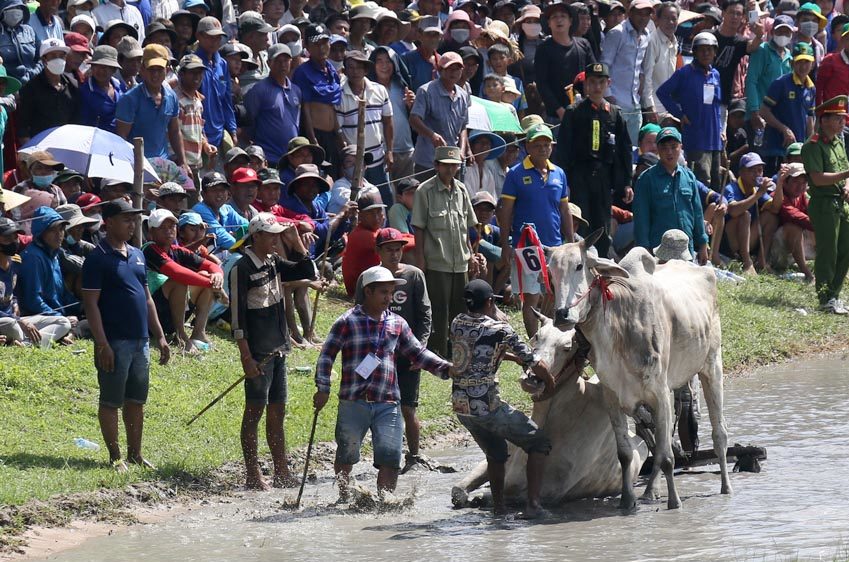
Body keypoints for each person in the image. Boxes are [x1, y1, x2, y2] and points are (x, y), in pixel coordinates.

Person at [314, 265, 451, 499]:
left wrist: (447, 369)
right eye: (384, 293)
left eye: (391, 293)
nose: (389, 298)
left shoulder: (397, 323)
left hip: (388, 401)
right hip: (353, 400)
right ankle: (344, 497)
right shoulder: (347, 321)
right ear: (368, 292)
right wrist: (323, 388)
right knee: (346, 454)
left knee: (390, 457)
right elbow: (327, 355)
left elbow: (417, 353)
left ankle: (385, 504)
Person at [449, 278, 554, 518]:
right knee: (538, 442)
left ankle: (499, 509)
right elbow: (534, 362)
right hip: (487, 406)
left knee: (496, 452)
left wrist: (508, 357)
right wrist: (549, 381)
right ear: (489, 302)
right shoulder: (500, 329)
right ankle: (533, 506)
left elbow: (478, 350)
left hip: (461, 407)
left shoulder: (457, 322)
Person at [81, 198, 171, 473]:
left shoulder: (138, 254)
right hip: (114, 341)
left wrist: (161, 336)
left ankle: (136, 454)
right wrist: (102, 343)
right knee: (111, 400)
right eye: (125, 219)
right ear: (108, 223)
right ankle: (115, 457)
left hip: (141, 341)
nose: (132, 224)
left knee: (136, 400)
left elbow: (147, 299)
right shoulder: (97, 259)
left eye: (134, 219)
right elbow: (91, 305)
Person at [228, 212, 316, 489]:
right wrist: (246, 356)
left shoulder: (273, 261)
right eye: (272, 235)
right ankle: (253, 474)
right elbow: (237, 319)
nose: (277, 239)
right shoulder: (240, 269)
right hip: (258, 352)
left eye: (279, 234)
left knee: (278, 411)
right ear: (257, 237)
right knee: (254, 411)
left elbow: (306, 271)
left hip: (279, 349)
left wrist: (298, 244)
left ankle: (281, 470)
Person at [352, 229, 431, 471]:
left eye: (398, 249)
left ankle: (414, 456)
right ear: (378, 252)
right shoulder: (367, 277)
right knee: (373, 405)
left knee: (408, 406)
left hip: (407, 354)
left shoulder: (414, 275)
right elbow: (357, 313)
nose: (395, 254)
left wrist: (420, 348)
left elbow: (425, 313)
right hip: (376, 354)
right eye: (389, 249)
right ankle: (377, 457)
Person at [500, 124, 573, 337]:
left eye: (546, 144)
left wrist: (570, 240)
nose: (543, 148)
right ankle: (534, 340)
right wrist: (505, 244)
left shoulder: (559, 173)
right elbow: (505, 211)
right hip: (527, 245)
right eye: (537, 144)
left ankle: (549, 336)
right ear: (527, 147)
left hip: (555, 244)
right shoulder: (515, 174)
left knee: (553, 294)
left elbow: (564, 208)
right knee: (531, 295)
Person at [558, 63, 632, 258]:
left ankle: (601, 266)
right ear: (586, 85)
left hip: (604, 178)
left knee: (603, 226)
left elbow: (624, 151)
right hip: (579, 176)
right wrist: (563, 182)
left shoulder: (615, 114)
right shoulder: (574, 112)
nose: (597, 87)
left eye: (601, 82)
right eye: (592, 82)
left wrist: (626, 183)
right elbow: (564, 149)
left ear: (608, 83)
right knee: (581, 224)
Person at [411, 146, 477, 357]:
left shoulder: (462, 190)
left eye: (454, 166)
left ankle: (458, 350)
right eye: (446, 166)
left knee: (461, 311)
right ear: (436, 166)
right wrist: (421, 259)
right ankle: (437, 352)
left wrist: (472, 255)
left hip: (460, 262)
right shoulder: (425, 191)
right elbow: (419, 228)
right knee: (438, 310)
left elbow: (467, 228)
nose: (450, 170)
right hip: (437, 260)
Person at [144, 208, 225, 352]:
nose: (169, 231)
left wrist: (217, 276)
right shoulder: (150, 249)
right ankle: (181, 335)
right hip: (151, 317)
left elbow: (211, 265)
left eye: (171, 226)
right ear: (151, 232)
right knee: (179, 281)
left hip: (169, 312)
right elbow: (176, 272)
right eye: (162, 228)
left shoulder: (177, 250)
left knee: (206, 273)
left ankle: (198, 333)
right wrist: (211, 283)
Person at [656, 32, 724, 191]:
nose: (706, 53)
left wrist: (721, 129)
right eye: (702, 49)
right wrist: (680, 115)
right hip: (696, 139)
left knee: (716, 183)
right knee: (702, 183)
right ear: (694, 52)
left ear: (715, 52)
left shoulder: (715, 74)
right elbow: (662, 93)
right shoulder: (684, 73)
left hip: (715, 139)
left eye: (710, 49)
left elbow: (717, 106)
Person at [633, 127, 710, 265]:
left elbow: (697, 214)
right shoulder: (647, 179)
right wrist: (644, 249)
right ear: (658, 149)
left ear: (681, 147)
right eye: (664, 147)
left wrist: (703, 244)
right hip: (659, 249)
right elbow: (641, 218)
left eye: (674, 147)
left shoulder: (689, 177)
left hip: (686, 248)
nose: (669, 152)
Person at [801, 95, 849, 314]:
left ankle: (835, 295)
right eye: (838, 118)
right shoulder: (812, 146)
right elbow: (818, 178)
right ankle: (825, 297)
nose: (843, 122)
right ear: (824, 120)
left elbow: (844, 169)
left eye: (843, 118)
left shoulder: (839, 142)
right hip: (824, 204)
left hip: (842, 203)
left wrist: (847, 184)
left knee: (845, 250)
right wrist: (846, 175)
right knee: (828, 251)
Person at [0, 217, 73, 345]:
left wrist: (15, 305)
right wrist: (18, 320)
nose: (13, 242)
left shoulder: (15, 263)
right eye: (7, 239)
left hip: (16, 319)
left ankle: (26, 345)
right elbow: (32, 300)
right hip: (7, 321)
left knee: (63, 322)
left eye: (15, 237)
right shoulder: (33, 257)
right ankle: (29, 341)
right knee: (12, 325)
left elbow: (11, 293)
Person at [115, 44, 188, 169]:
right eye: (151, 69)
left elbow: (174, 131)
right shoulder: (130, 99)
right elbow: (121, 138)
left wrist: (183, 162)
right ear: (142, 69)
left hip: (164, 164)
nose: (155, 74)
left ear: (167, 70)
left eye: (159, 69)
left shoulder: (171, 97)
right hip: (137, 165)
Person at [336, 50, 394, 205]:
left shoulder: (379, 90)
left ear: (366, 70)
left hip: (377, 159)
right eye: (350, 67)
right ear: (345, 70)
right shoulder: (340, 94)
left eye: (358, 67)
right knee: (358, 204)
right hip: (355, 164)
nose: (354, 71)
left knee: (384, 200)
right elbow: (338, 130)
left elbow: (388, 122)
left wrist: (389, 151)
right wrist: (348, 154)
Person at [409, 52, 471, 179]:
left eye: (457, 69)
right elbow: (414, 119)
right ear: (439, 70)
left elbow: (463, 126)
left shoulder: (463, 95)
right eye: (449, 69)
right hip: (428, 161)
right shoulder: (426, 91)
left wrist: (463, 149)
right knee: (426, 197)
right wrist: (432, 135)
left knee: (453, 197)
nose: (453, 73)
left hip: (453, 160)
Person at [292, 23, 343, 176]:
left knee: (334, 174)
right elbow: (305, 108)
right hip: (316, 136)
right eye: (316, 44)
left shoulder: (331, 69)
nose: (321, 48)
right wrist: (313, 140)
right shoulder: (303, 72)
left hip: (331, 135)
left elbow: (332, 106)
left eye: (324, 43)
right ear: (307, 46)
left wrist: (338, 135)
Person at [534, 1, 596, 124]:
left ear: (571, 21)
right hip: (556, 116)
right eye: (554, 17)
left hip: (585, 111)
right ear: (549, 23)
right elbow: (542, 84)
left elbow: (594, 74)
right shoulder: (543, 49)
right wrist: (560, 110)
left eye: (563, 16)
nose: (559, 20)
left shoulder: (583, 44)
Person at [760, 42, 817, 176]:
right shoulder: (781, 83)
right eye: (799, 62)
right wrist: (784, 129)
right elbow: (764, 111)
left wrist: (811, 143)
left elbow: (810, 118)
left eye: (806, 62)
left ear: (813, 64)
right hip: (776, 147)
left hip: (798, 150)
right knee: (774, 184)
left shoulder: (811, 88)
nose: (803, 66)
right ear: (792, 63)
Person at [342, 191, 414, 296]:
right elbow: (402, 243)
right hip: (362, 290)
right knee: (408, 251)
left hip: (374, 281)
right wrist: (422, 239)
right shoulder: (362, 235)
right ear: (360, 216)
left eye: (379, 211)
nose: (376, 217)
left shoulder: (373, 231)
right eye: (370, 213)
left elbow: (402, 238)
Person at [600, 0, 652, 145]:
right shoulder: (617, 33)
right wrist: (608, 95)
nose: (643, 17)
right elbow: (604, 65)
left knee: (633, 149)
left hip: (635, 102)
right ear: (630, 14)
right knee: (614, 148)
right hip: (615, 101)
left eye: (647, 14)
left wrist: (641, 77)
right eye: (639, 13)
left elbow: (638, 63)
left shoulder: (647, 34)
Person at [723, 152, 782, 274]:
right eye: (752, 170)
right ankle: (747, 262)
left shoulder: (756, 190)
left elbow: (775, 208)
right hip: (730, 242)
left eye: (759, 170)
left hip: (747, 239)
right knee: (744, 215)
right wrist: (758, 194)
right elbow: (733, 211)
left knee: (771, 217)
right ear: (741, 172)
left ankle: (762, 261)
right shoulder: (732, 188)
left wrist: (780, 183)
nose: (757, 174)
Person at [243, 43, 302, 166]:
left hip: (291, 158)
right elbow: (248, 123)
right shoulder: (259, 90)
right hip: (268, 157)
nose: (282, 65)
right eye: (278, 61)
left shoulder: (296, 90)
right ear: (269, 62)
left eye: (286, 60)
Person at [17, 38, 78, 144]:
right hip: (41, 147)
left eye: (61, 55)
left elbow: (77, 121)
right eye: (53, 56)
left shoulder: (73, 85)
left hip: (68, 144)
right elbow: (23, 128)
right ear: (44, 60)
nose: (58, 59)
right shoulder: (30, 88)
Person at [712, 0, 763, 123]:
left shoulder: (740, 42)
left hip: (723, 99)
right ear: (723, 13)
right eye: (731, 12)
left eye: (738, 14)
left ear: (743, 17)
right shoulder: (709, 36)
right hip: (702, 97)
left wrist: (759, 34)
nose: (734, 17)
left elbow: (753, 46)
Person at [745, 15, 794, 137]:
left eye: (787, 32)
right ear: (772, 32)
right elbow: (751, 81)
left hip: (778, 118)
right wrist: (754, 111)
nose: (783, 35)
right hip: (760, 115)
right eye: (780, 31)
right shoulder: (762, 50)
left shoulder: (789, 56)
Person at [195, 16, 237, 153]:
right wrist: (202, 136)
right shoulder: (193, 64)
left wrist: (232, 129)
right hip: (199, 135)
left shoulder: (222, 64)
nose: (215, 41)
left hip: (220, 133)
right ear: (199, 36)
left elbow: (226, 101)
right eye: (210, 37)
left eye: (218, 37)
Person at [173, 53, 216, 178]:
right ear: (181, 74)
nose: (197, 77)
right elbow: (174, 133)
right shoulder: (176, 100)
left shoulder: (198, 100)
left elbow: (199, 131)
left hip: (195, 164)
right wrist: (181, 161)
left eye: (200, 72)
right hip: (180, 164)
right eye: (192, 72)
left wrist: (206, 145)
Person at [773, 162, 816, 280]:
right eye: (796, 182)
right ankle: (808, 274)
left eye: (803, 183)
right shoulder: (777, 194)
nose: (800, 186)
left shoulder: (801, 195)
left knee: (819, 222)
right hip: (776, 251)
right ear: (785, 182)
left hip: (791, 250)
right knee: (795, 227)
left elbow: (811, 214)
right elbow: (795, 215)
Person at [192, 171, 249, 252]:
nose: (219, 194)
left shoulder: (226, 208)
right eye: (214, 190)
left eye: (222, 190)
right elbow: (221, 236)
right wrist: (243, 248)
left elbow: (248, 227)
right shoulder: (200, 209)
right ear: (203, 194)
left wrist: (238, 235)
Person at [641, 2, 679, 122]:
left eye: (674, 19)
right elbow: (647, 75)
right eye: (666, 18)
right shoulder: (652, 41)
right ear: (657, 19)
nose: (670, 22)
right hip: (654, 107)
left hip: (669, 106)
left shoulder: (674, 42)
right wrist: (649, 106)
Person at [78, 45, 124, 132]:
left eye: (106, 67)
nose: (101, 71)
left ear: (114, 70)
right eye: (97, 66)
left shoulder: (120, 87)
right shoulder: (85, 91)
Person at [0, 0, 40, 83]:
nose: (16, 10)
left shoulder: (29, 30)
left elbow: (42, 57)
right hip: (8, 86)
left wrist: (34, 73)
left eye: (18, 7)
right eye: (11, 8)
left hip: (34, 83)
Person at [401, 16, 442, 92]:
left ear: (440, 37)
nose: (432, 38)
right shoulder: (407, 59)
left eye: (436, 34)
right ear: (419, 35)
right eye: (428, 34)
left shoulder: (442, 61)